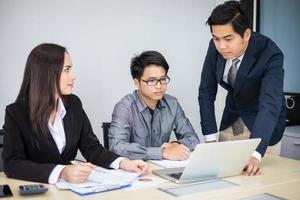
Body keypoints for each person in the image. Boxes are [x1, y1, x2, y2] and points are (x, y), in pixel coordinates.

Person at [2, 43, 148, 184]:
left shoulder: (74, 104)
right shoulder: (16, 113)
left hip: (71, 192)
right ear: (46, 73)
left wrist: (124, 163)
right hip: (38, 192)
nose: (73, 76)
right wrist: (62, 172)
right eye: (66, 70)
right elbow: (12, 164)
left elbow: (92, 148)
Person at [198, 1, 285, 176]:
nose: (221, 46)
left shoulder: (270, 53)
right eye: (216, 38)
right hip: (232, 119)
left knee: (259, 184)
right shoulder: (215, 47)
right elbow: (206, 93)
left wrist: (255, 154)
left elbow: (269, 104)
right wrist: (210, 140)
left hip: (263, 125)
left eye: (228, 39)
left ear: (246, 34)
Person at [108, 51, 200, 160]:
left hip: (162, 169)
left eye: (163, 79)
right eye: (151, 81)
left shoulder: (172, 104)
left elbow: (193, 138)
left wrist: (176, 144)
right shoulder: (125, 107)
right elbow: (117, 146)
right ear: (137, 83)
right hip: (135, 170)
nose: (159, 86)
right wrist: (161, 153)